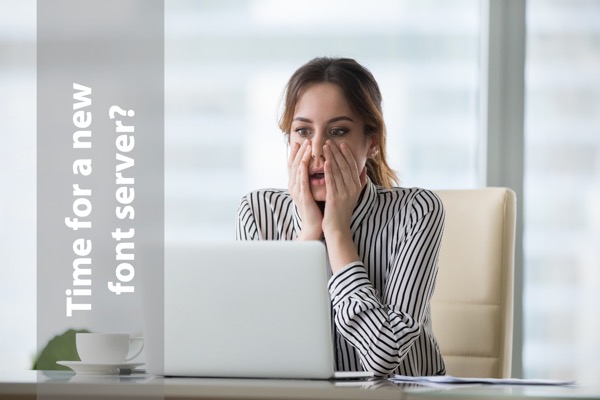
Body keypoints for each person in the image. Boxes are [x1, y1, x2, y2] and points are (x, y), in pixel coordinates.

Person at [236, 57, 446, 377]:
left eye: (337, 131)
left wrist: (336, 232)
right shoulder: (259, 212)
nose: (317, 149)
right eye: (303, 131)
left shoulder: (416, 211)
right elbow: (256, 349)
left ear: (371, 143)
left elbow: (382, 357)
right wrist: (308, 234)